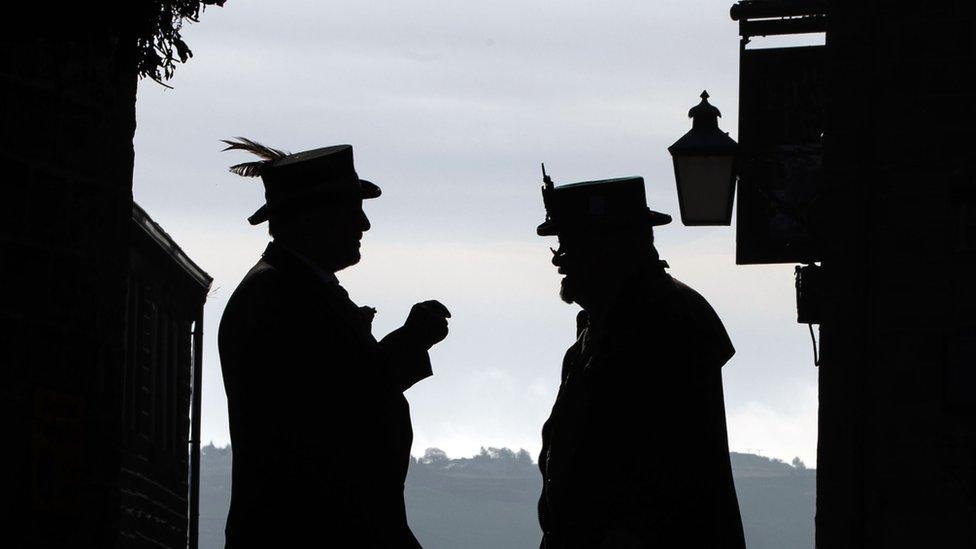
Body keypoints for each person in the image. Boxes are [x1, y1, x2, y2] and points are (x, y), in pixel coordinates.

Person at [218, 139, 450, 548]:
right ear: (314, 218)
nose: (364, 224)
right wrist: (411, 341)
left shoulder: (292, 290)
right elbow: (345, 402)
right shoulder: (282, 297)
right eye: (351, 211)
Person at [535, 171, 745, 548]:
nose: (560, 262)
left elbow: (660, 465)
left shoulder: (665, 321)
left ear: (609, 249)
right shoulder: (607, 325)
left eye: (572, 247)